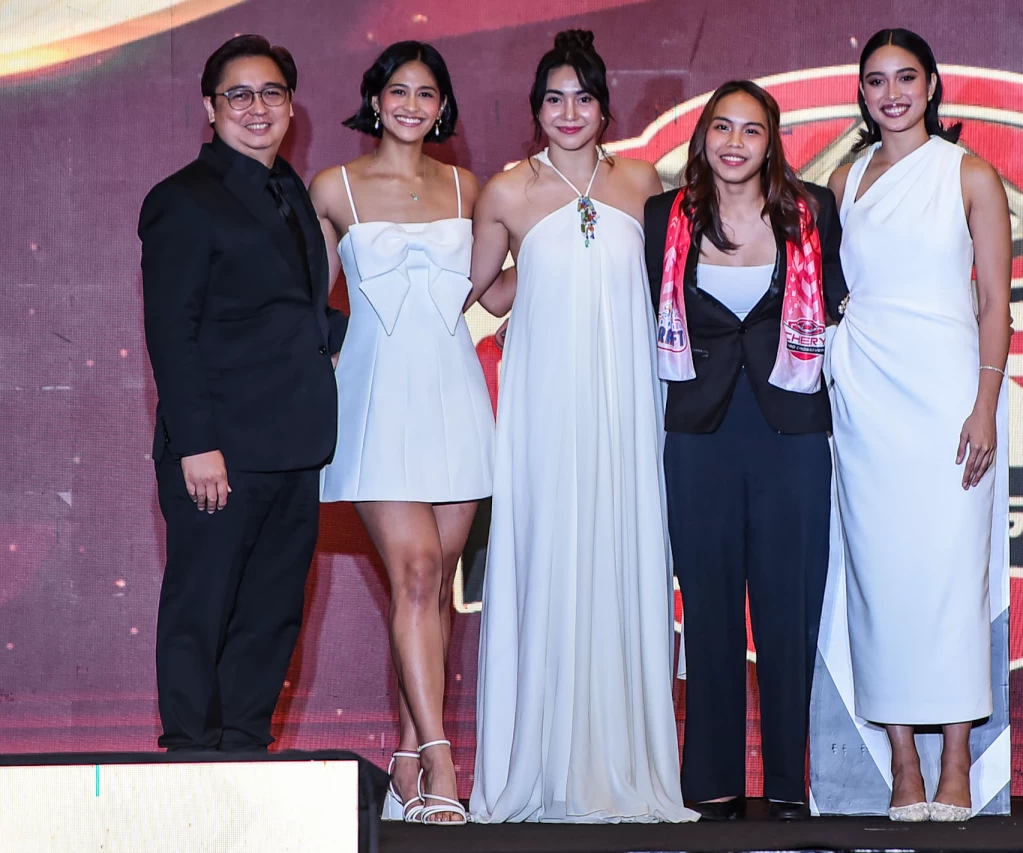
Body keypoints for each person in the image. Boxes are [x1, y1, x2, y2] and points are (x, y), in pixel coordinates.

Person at [466, 29, 696, 824]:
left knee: (622, 551)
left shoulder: (643, 182)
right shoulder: (504, 192)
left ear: (605, 108)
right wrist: (529, 271)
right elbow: (477, 303)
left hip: (628, 406)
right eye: (555, 99)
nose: (570, 112)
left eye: (584, 98)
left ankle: (624, 766)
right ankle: (542, 766)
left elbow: (675, 294)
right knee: (550, 553)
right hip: (544, 408)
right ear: (536, 111)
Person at [644, 81, 847, 822]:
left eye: (751, 131)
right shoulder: (663, 216)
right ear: (701, 138)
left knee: (790, 608)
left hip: (791, 432)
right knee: (708, 608)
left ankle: (792, 784)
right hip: (698, 435)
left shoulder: (812, 210)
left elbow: (849, 306)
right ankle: (711, 783)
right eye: (721, 128)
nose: (734, 142)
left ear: (772, 141)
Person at [139, 35, 347, 753]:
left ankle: (244, 748)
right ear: (210, 107)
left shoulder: (290, 188)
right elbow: (173, 332)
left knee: (271, 612)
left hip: (293, 444)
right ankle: (192, 751)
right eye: (239, 95)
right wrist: (197, 444)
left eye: (271, 94)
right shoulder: (182, 201)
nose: (257, 109)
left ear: (291, 105)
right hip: (218, 450)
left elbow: (289, 309)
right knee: (204, 604)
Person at [826, 28, 1012, 823]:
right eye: (877, 80)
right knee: (878, 580)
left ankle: (958, 758)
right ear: (862, 93)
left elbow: (996, 302)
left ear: (933, 84)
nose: (892, 92)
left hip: (947, 394)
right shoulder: (843, 179)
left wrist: (983, 403)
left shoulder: (968, 173)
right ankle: (904, 758)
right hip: (864, 393)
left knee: (947, 577)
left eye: (907, 78)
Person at [309, 41, 492, 825]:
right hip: (377, 402)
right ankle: (443, 761)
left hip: (454, 397)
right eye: (398, 90)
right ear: (374, 99)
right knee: (416, 573)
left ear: (442, 105)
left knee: (434, 588)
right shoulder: (332, 187)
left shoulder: (467, 186)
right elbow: (308, 305)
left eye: (427, 93)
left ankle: (406, 759)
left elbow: (494, 281)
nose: (412, 104)